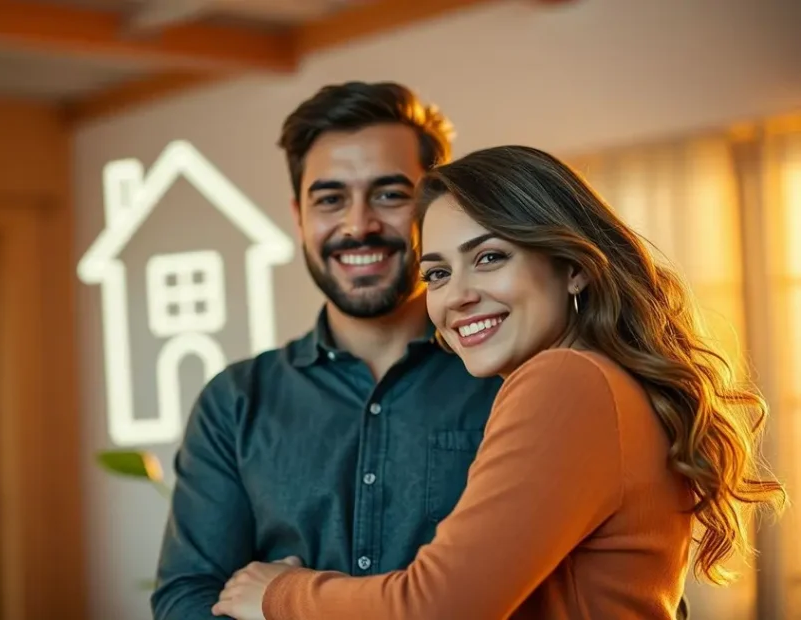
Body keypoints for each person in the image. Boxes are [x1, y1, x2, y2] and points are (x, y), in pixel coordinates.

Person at [212, 145, 787, 619]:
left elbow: (439, 606)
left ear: (574, 266)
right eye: (438, 272)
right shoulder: (605, 381)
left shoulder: (565, 381)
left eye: (488, 258)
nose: (457, 295)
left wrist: (273, 594)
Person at [150, 82, 504, 620]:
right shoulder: (234, 403)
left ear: (437, 209)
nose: (358, 225)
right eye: (330, 198)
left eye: (389, 194)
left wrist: (284, 601)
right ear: (298, 216)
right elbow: (186, 602)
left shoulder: (512, 379)